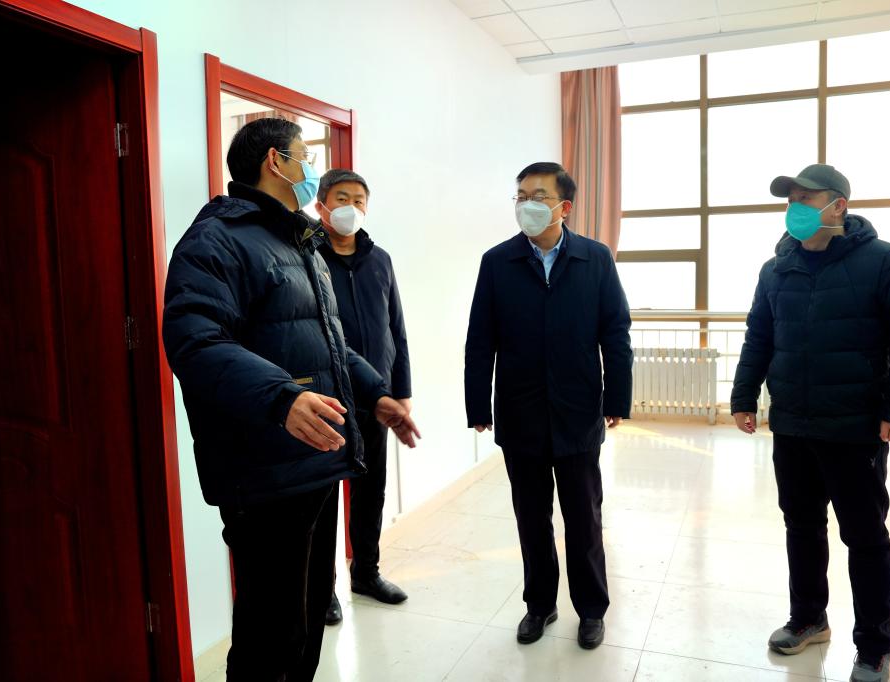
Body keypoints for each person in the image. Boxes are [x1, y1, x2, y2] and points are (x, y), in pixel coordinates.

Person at [162, 117, 419, 682]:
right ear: (275, 162)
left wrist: (375, 393)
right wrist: (281, 398)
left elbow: (329, 343)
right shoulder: (216, 240)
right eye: (305, 155)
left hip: (314, 461)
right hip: (264, 469)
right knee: (269, 635)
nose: (311, 168)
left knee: (303, 624)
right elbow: (195, 341)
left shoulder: (299, 241)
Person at [731, 164, 890, 682]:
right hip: (793, 425)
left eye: (806, 198)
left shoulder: (884, 261)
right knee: (801, 527)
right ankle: (809, 619)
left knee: (865, 537)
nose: (795, 208)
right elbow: (759, 336)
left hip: (854, 427)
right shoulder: (776, 269)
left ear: (838, 205)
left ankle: (874, 647)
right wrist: (743, 396)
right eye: (790, 200)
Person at [464, 161, 632, 650]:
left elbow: (615, 333)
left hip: (578, 410)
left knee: (584, 519)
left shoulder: (595, 259)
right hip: (520, 413)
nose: (527, 204)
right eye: (520, 196)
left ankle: (592, 610)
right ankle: (539, 604)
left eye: (538, 196)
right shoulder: (498, 262)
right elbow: (481, 339)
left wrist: (617, 397)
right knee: (531, 518)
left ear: (565, 207)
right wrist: (478, 404)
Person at [314, 168, 413, 623]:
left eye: (358, 199)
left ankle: (367, 573)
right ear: (322, 204)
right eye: (341, 197)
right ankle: (323, 590)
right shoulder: (307, 258)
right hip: (327, 399)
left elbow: (397, 329)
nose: (350, 207)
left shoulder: (381, 260)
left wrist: (400, 391)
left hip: (377, 400)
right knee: (323, 498)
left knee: (371, 489)